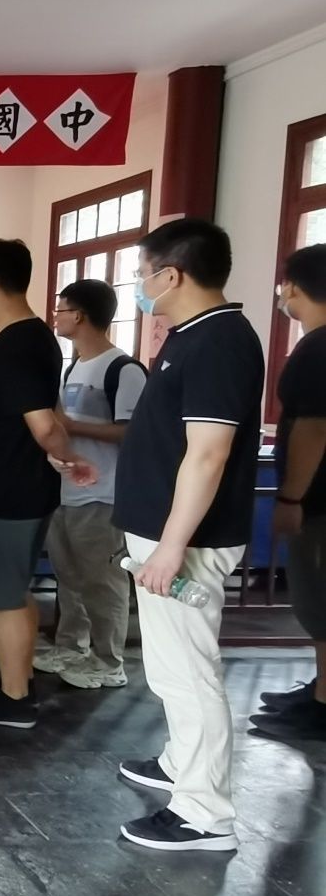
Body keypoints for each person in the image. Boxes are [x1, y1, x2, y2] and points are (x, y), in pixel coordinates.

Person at [112, 218, 263, 853]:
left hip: (188, 543)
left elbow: (208, 454)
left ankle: (205, 815)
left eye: (142, 273)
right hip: (165, 533)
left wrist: (172, 546)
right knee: (171, 667)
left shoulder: (218, 343)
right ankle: (181, 763)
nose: (140, 285)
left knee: (188, 670)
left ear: (170, 275)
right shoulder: (191, 335)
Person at [0, 240, 95, 731]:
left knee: (3, 597)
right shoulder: (39, 338)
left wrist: (70, 457)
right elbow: (53, 414)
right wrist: (63, 454)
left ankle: (14, 701)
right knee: (16, 590)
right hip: (24, 487)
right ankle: (20, 682)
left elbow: (46, 424)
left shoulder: (15, 344)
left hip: (5, 492)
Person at [37, 279, 147, 690]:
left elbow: (133, 432)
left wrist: (71, 427)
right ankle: (71, 648)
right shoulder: (74, 366)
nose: (56, 317)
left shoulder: (124, 369)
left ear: (79, 315)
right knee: (69, 579)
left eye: (60, 309)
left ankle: (108, 661)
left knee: (103, 582)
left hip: (104, 493)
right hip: (67, 492)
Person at [253, 243, 326, 739]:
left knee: (319, 600)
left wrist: (290, 498)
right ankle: (321, 689)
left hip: (320, 503)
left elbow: (313, 428)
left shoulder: (318, 349)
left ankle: (324, 707)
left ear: (294, 287)